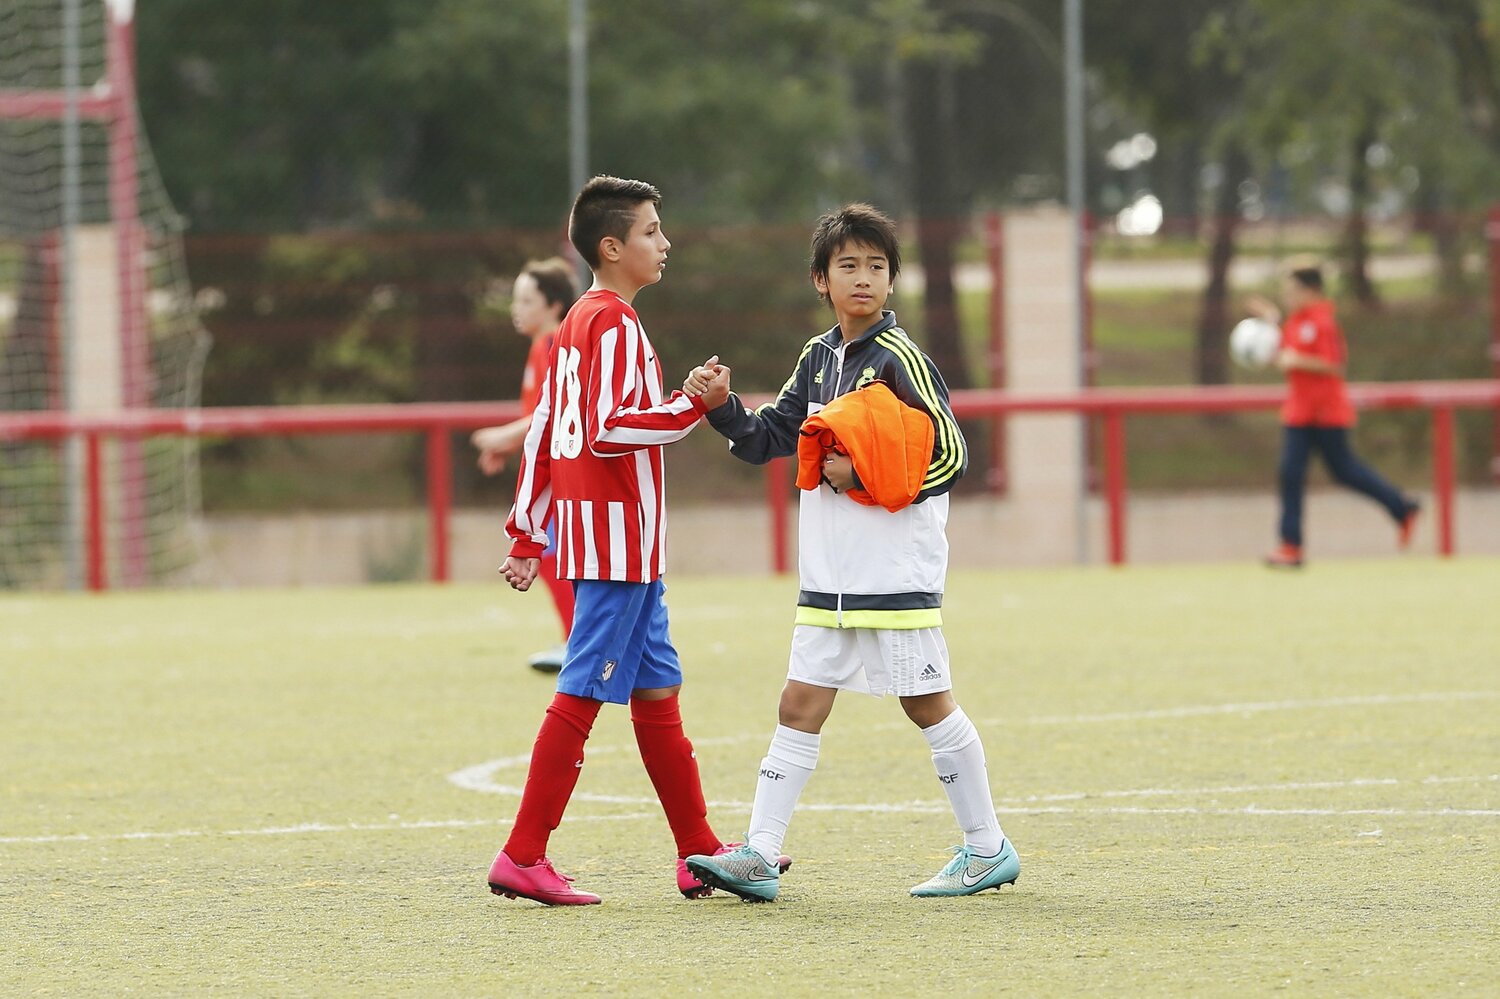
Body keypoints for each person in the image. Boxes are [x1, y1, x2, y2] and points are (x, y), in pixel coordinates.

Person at [680, 203, 1019, 902]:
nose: (862, 278)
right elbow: (775, 436)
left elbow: (952, 453)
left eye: (876, 266)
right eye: (848, 266)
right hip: (829, 576)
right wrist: (721, 409)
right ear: (821, 280)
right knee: (798, 702)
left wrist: (862, 476)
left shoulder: (902, 360)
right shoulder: (816, 356)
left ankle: (987, 848)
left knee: (926, 704)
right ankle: (761, 854)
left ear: (892, 281)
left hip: (893, 572)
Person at [486, 175, 750, 906]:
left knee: (658, 691)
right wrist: (690, 404)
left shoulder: (576, 323)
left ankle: (698, 850)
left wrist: (526, 532)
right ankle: (522, 853)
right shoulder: (614, 324)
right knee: (580, 693)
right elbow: (607, 429)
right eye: (652, 232)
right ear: (613, 246)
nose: (665, 242)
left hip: (620, 551)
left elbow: (546, 431)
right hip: (615, 551)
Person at [1246, 261, 1419, 568]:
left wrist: (1296, 359)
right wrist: (1271, 322)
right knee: (1290, 473)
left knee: (1345, 471)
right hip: (1299, 413)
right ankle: (1290, 546)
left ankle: (1401, 506)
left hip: (1327, 412)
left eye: (1292, 291)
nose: (1287, 297)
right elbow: (1282, 353)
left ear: (1311, 291)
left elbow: (1334, 365)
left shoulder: (1324, 323)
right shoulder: (1295, 322)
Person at [471, 258, 580, 672]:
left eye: (527, 299)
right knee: (550, 553)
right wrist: (507, 444)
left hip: (563, 474)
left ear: (554, 306)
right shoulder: (542, 346)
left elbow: (551, 414)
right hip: (553, 471)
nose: (517, 308)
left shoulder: (555, 346)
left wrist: (502, 436)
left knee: (550, 553)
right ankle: (576, 640)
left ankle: (578, 643)